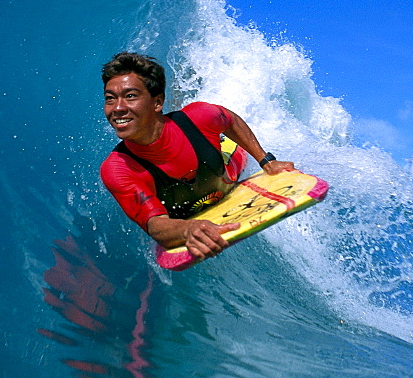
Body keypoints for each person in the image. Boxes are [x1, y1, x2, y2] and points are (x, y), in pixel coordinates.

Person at [99, 52, 294, 261]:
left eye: (130, 96)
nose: (117, 108)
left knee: (217, 144)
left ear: (157, 102)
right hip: (185, 217)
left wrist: (266, 161)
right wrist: (187, 229)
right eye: (110, 99)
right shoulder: (118, 168)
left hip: (226, 164)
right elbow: (156, 226)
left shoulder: (200, 116)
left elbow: (230, 120)